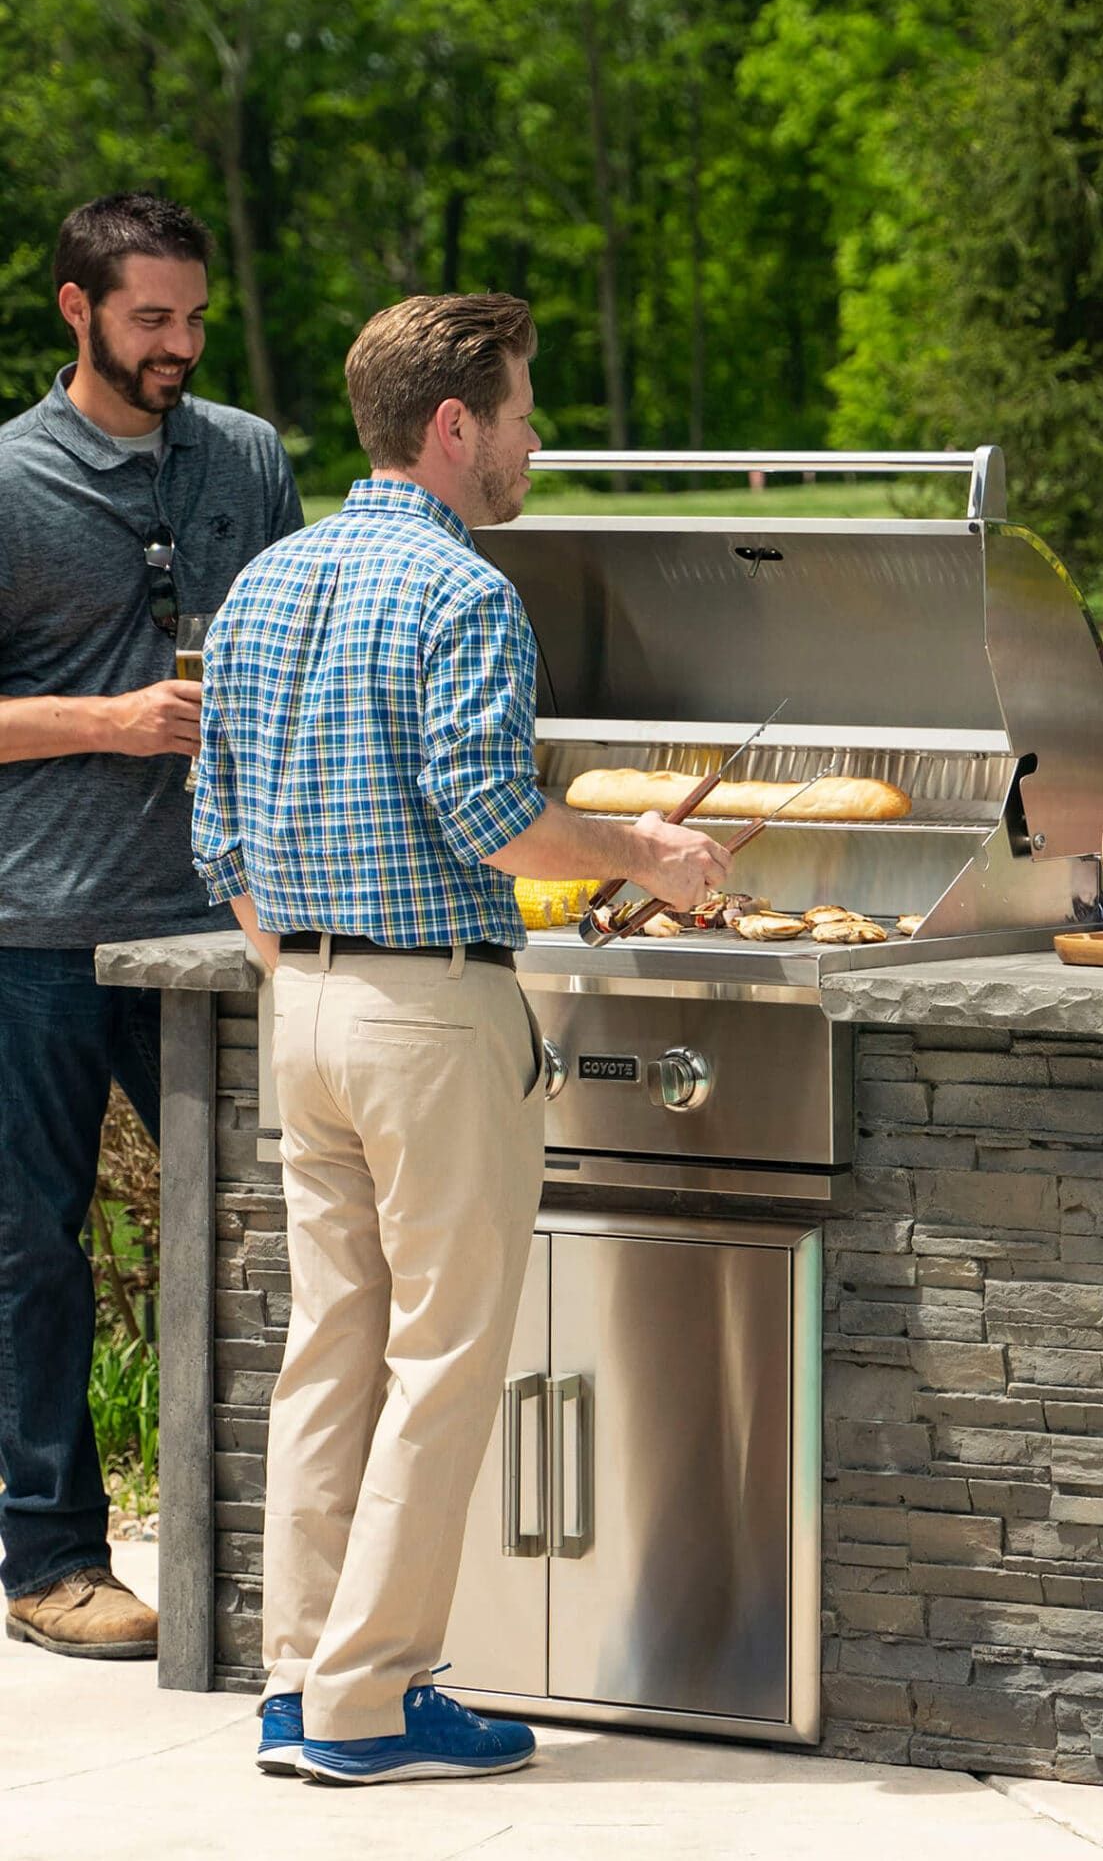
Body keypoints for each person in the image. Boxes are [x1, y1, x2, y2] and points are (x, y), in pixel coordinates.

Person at [192, 292, 729, 1784]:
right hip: (428, 1010)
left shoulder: (264, 583)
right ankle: (370, 1701)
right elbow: (492, 816)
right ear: (455, 427)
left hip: (297, 1002)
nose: (531, 438)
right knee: (439, 1361)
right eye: (521, 409)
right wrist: (645, 853)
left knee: (332, 1356)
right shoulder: (460, 592)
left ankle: (305, 1685)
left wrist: (304, 964)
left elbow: (214, 829)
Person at [0, 193, 302, 1659]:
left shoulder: (243, 455)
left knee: (270, 1230)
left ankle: (260, 1543)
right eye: (150, 321)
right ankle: (52, 1559)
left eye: (194, 318)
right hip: (40, 929)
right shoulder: (6, 483)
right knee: (35, 1250)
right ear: (76, 309)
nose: (180, 344)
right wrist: (110, 722)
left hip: (226, 922)